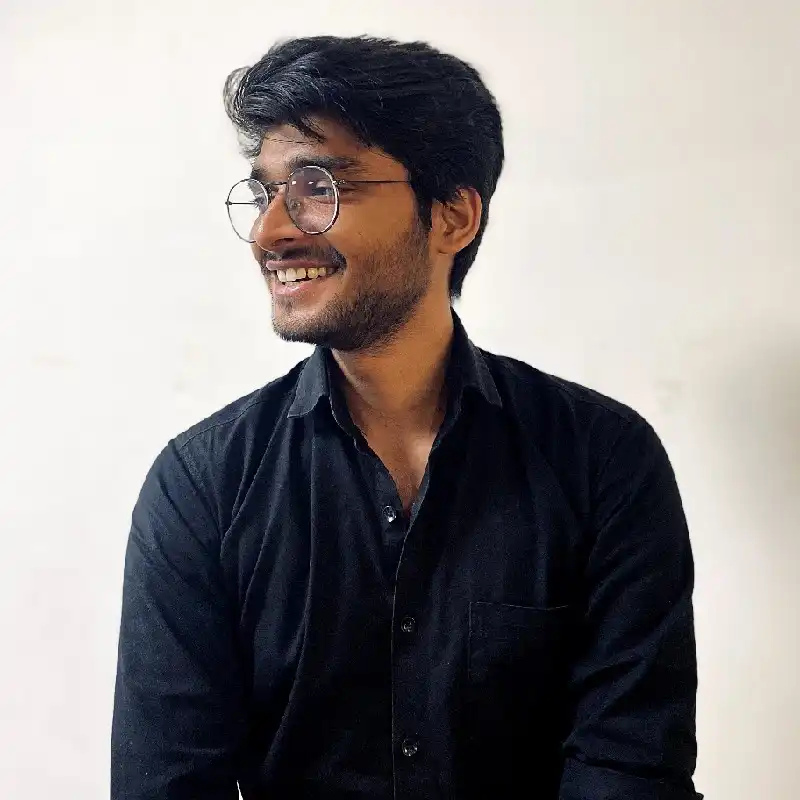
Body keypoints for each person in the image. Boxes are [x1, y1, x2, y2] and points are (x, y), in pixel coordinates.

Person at [111, 35, 701, 800]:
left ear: (452, 216)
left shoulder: (602, 461)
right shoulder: (203, 487)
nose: (270, 232)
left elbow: (629, 770)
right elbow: (168, 784)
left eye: (319, 186)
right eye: (264, 194)